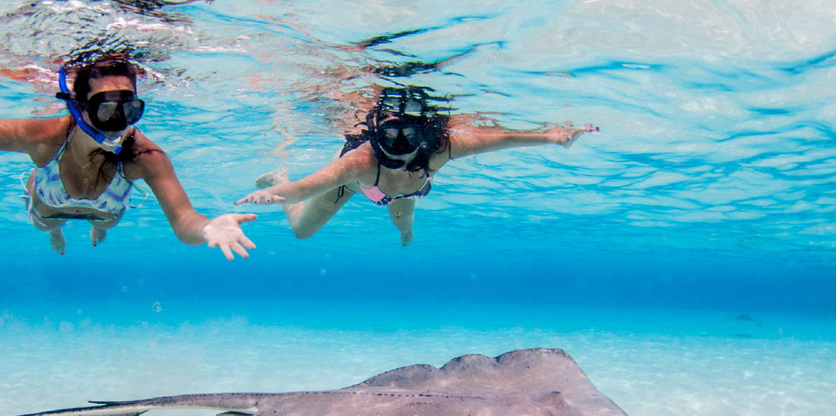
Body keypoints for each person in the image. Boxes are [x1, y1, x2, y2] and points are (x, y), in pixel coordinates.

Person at [0, 58, 257, 259]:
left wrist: (207, 227)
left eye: (129, 109)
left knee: (106, 221)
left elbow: (183, 220)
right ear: (77, 108)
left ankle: (95, 228)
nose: (118, 123)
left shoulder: (144, 156)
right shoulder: (46, 138)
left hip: (106, 207)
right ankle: (57, 232)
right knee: (47, 219)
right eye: (106, 108)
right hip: (50, 201)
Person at [235, 86, 597, 246]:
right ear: (375, 134)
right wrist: (273, 192)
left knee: (403, 224)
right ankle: (277, 171)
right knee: (301, 231)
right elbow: (304, 188)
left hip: (407, 193)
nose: (398, 147)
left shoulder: (440, 149)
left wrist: (555, 138)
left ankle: (405, 232)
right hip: (359, 186)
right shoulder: (359, 162)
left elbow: (499, 139)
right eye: (389, 137)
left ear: (423, 135)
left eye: (408, 136)